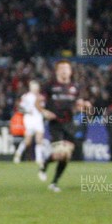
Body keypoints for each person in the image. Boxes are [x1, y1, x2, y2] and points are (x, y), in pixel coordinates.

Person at [38, 60, 92, 192]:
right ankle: (45, 164)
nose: (64, 71)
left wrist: (85, 106)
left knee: (66, 156)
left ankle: (54, 183)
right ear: (57, 71)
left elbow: (79, 104)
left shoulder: (75, 87)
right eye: (62, 68)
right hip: (55, 123)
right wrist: (44, 111)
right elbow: (37, 102)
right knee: (61, 153)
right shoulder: (49, 86)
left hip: (69, 123)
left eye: (67, 68)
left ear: (70, 71)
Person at [13, 80, 46, 168]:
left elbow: (42, 108)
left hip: (38, 118)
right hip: (29, 119)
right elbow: (20, 108)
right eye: (34, 87)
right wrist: (27, 111)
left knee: (39, 139)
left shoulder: (41, 97)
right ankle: (18, 154)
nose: (36, 89)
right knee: (28, 141)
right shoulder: (26, 97)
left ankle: (39, 159)